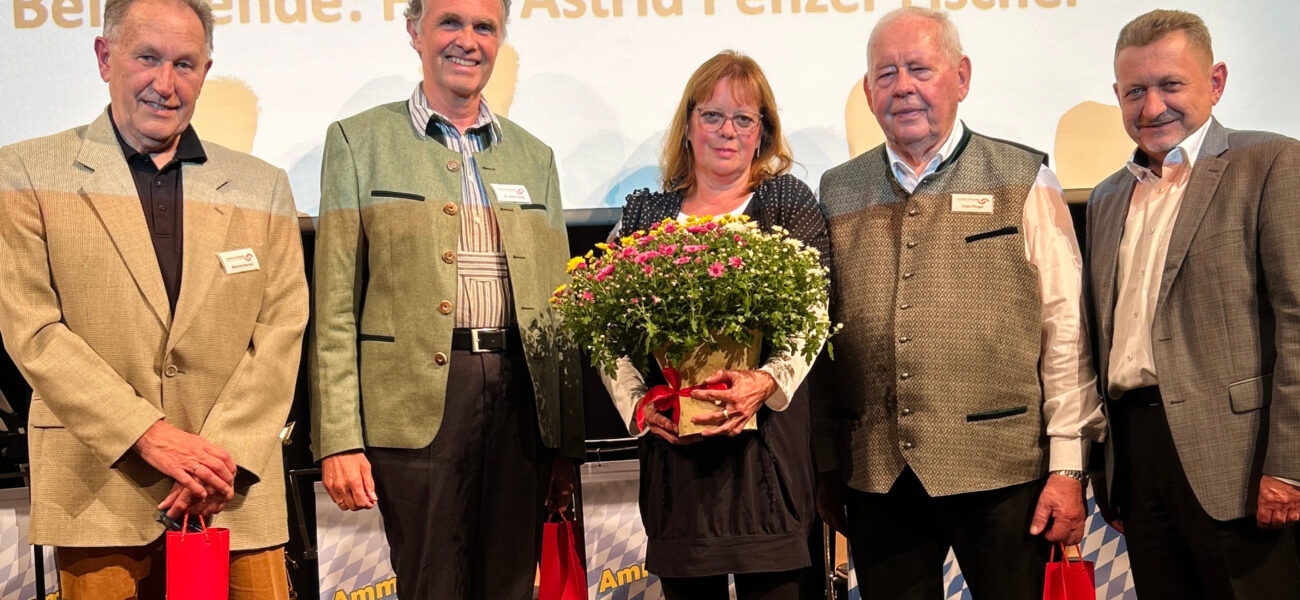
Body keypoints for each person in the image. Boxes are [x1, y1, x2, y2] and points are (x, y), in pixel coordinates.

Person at [0, 0, 309, 597]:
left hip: (231, 489)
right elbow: (32, 330)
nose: (165, 84)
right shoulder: (25, 172)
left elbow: (281, 331)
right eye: (147, 58)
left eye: (185, 64)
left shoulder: (262, 184)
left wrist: (219, 460)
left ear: (205, 71)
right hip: (98, 482)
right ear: (104, 57)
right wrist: (150, 436)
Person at [813, 7, 1104, 599]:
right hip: (878, 476)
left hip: (1004, 475)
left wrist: (1068, 465)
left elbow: (1066, 330)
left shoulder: (1026, 177)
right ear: (869, 92)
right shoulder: (835, 189)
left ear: (962, 77)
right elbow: (821, 344)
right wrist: (827, 465)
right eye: (886, 74)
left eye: (920, 68)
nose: (904, 87)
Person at [309, 0, 583, 598]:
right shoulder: (359, 142)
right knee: (431, 584)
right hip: (414, 402)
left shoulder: (535, 157)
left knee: (511, 585)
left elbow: (560, 310)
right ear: (414, 32)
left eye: (484, 26)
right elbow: (333, 306)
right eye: (449, 23)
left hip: (521, 400)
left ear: (500, 39)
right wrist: (339, 438)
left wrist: (565, 443)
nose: (467, 41)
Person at [1085, 9, 1300, 598]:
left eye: (1170, 85)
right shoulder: (1105, 198)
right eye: (1135, 91)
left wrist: (1289, 464)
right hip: (1138, 457)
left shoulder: (1272, 163)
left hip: (1242, 464)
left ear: (1216, 82)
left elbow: (1297, 324)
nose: (1152, 107)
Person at [601, 51, 829, 600]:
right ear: (688, 126)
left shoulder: (785, 201)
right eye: (712, 116)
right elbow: (603, 326)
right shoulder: (643, 216)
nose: (727, 131)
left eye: (744, 119)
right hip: (678, 470)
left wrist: (766, 382)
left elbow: (816, 313)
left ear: (762, 134)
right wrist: (635, 401)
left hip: (768, 467)